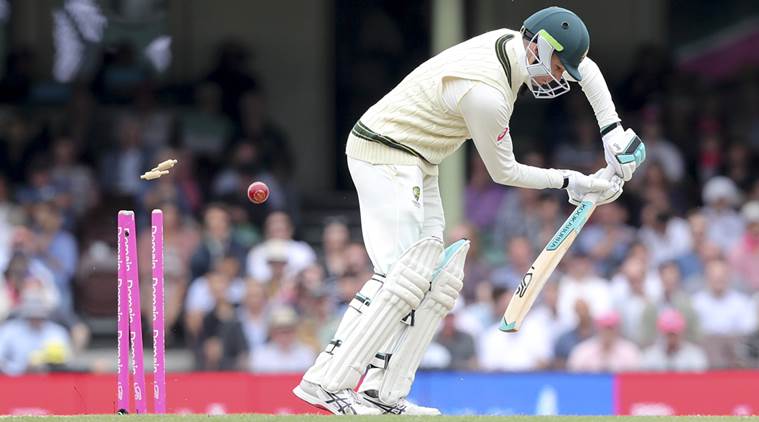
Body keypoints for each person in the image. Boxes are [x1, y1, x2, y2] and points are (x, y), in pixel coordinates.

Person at [294, 6, 643, 415]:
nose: (559, 78)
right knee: (402, 276)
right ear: (538, 47)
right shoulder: (486, 93)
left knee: (437, 281)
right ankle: (326, 382)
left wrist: (612, 132)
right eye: (556, 66)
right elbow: (504, 171)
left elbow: (589, 70)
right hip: (384, 152)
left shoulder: (518, 44)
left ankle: (382, 393)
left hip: (421, 159)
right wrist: (573, 182)